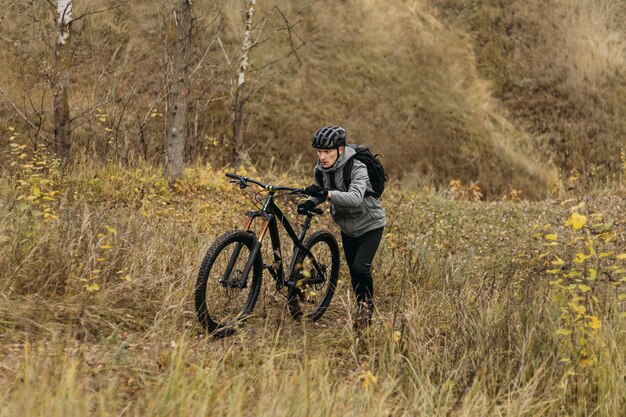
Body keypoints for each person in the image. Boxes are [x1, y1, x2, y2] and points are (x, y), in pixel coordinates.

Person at [298, 125, 386, 328]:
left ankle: (367, 308)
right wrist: (311, 201)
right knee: (354, 272)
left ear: (340, 149)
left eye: (327, 152)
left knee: (360, 268)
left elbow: (355, 198)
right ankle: (359, 304)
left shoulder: (357, 167)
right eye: (319, 152)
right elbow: (322, 190)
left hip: (371, 224)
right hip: (348, 227)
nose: (322, 157)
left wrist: (326, 195)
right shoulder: (321, 170)